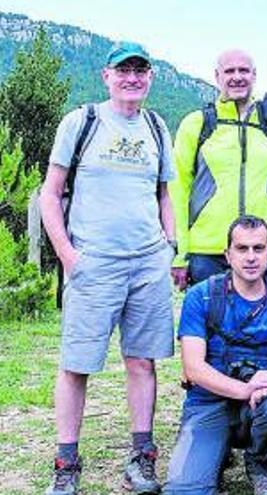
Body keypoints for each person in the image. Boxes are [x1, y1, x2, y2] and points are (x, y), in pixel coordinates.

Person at [39, 41, 175, 495]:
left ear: (150, 77)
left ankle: (141, 459)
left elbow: (164, 193)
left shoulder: (156, 127)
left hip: (147, 262)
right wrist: (68, 254)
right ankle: (66, 465)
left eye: (140, 70)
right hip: (93, 262)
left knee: (142, 361)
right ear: (106, 76)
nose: (132, 78)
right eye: (124, 70)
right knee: (77, 364)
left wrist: (168, 245)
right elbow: (50, 192)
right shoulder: (82, 122)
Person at [164, 216, 267, 495]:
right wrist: (245, 389)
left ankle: (260, 462)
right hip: (208, 403)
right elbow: (193, 368)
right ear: (228, 255)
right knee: (184, 491)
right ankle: (215, 454)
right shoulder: (201, 297)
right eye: (242, 249)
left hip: (261, 402)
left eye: (258, 248)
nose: (251, 257)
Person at [169, 49, 267, 289]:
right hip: (207, 252)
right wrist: (181, 251)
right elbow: (177, 190)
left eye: (244, 70)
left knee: (264, 326)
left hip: (263, 250)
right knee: (210, 326)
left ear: (254, 75)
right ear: (217, 76)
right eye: (229, 71)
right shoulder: (196, 123)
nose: (237, 77)